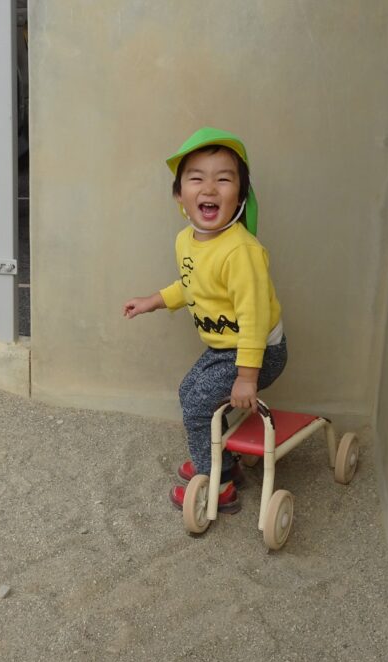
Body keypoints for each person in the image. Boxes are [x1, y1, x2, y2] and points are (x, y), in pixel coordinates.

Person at [123, 127, 287, 513]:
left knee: (198, 404)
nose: (209, 188)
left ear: (240, 197)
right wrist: (154, 301)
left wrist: (247, 377)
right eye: (196, 178)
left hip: (258, 351)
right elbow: (192, 284)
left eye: (223, 179)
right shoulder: (187, 240)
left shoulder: (241, 252)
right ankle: (221, 461)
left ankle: (219, 484)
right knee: (189, 392)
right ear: (180, 195)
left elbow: (254, 320)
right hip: (223, 348)